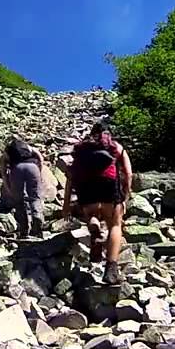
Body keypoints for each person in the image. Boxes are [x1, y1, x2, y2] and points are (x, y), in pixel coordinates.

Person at [62, 121, 132, 285]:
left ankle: (93, 222)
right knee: (115, 224)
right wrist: (126, 196)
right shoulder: (116, 147)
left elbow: (71, 177)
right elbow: (128, 174)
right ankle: (111, 269)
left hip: (85, 187)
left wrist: (66, 204)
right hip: (109, 186)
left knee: (92, 212)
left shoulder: (82, 148)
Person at [0, 137, 45, 238]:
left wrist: (8, 187)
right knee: (35, 197)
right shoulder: (27, 147)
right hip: (32, 167)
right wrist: (40, 171)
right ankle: (37, 217)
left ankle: (24, 230)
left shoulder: (7, 151)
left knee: (19, 201)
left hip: (17, 169)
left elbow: (3, 171)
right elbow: (40, 157)